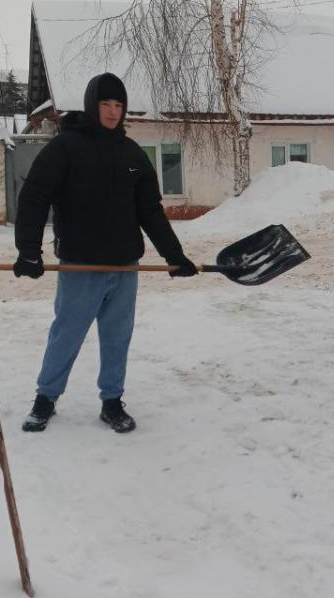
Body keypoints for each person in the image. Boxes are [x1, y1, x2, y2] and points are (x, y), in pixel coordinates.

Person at [14, 72, 198, 433]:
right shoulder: (66, 148)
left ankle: (112, 401)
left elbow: (150, 210)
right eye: (105, 104)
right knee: (66, 333)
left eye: (118, 105)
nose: (113, 112)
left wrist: (173, 255)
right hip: (82, 265)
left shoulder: (131, 153)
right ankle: (45, 398)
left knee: (117, 338)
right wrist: (29, 252)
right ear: (91, 105)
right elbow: (34, 197)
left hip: (125, 267)